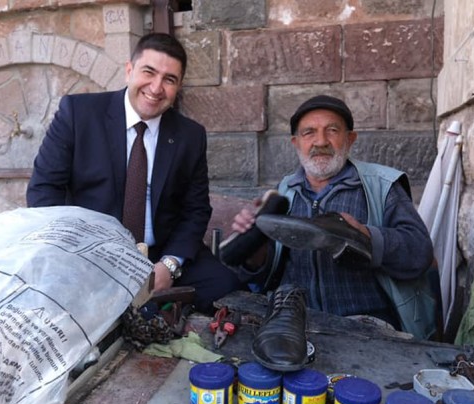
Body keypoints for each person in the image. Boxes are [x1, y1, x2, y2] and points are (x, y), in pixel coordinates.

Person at [26, 32, 240, 314]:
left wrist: (170, 265)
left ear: (178, 87)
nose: (156, 87)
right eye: (148, 72)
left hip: (160, 254)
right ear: (129, 70)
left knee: (227, 290)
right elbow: (43, 192)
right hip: (91, 254)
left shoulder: (190, 136)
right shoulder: (79, 114)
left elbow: (196, 209)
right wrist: (77, 254)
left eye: (169, 79)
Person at [227, 95, 437, 339]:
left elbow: (420, 253)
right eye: (309, 133)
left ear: (350, 139)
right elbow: (265, 277)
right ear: (296, 143)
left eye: (332, 130)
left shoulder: (382, 186)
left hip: (368, 326)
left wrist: (366, 236)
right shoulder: (284, 192)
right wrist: (255, 249)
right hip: (297, 322)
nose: (321, 141)